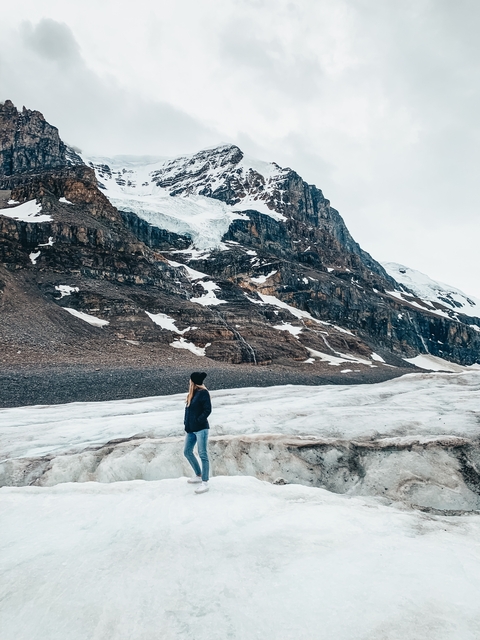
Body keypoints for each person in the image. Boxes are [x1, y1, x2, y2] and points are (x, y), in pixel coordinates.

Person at [184, 371, 211, 494]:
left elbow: (207, 410)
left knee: (202, 454)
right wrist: (187, 424)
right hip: (191, 429)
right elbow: (188, 411)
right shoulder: (192, 394)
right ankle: (198, 474)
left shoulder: (203, 393)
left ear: (193, 381)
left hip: (201, 428)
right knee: (187, 452)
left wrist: (198, 421)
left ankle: (204, 482)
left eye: (190, 380)